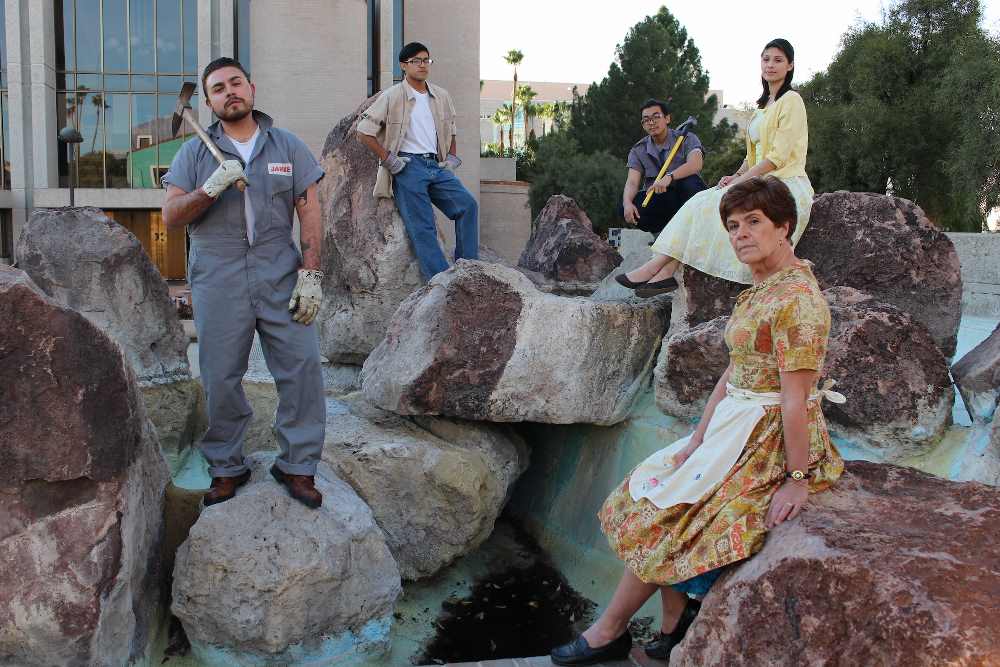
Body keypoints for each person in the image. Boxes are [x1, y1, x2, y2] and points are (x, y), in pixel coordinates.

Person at [550, 177, 845, 666]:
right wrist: (698, 438)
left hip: (768, 437)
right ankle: (671, 631)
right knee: (655, 488)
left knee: (674, 518)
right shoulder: (762, 287)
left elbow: (795, 401)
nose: (740, 234)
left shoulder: (799, 301)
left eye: (753, 222)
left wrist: (797, 479)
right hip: (735, 423)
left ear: (784, 227)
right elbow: (733, 372)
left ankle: (610, 632)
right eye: (733, 225)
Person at [162, 57, 326, 509]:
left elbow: (310, 210)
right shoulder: (194, 153)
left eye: (235, 83)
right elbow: (171, 216)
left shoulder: (287, 146)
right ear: (209, 102)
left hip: (280, 272)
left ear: (251, 89)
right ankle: (226, 467)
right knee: (220, 376)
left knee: (302, 368)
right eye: (217, 88)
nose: (229, 92)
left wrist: (311, 271)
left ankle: (297, 465)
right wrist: (209, 189)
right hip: (218, 276)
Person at [616, 38, 813, 294]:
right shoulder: (763, 107)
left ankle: (658, 268)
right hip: (760, 178)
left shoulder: (791, 100)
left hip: (784, 180)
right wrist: (736, 175)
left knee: (717, 202)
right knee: (700, 202)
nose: (770, 65)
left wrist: (742, 182)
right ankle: (663, 270)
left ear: (790, 66)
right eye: (766, 59)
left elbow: (778, 157)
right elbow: (753, 156)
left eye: (778, 60)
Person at [357, 41, 479, 280]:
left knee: (467, 205)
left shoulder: (441, 96)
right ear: (404, 65)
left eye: (426, 60)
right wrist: (389, 160)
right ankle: (440, 281)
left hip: (436, 166)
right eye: (416, 61)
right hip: (408, 167)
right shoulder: (392, 96)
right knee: (423, 226)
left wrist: (451, 159)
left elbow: (451, 129)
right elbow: (363, 131)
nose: (422, 65)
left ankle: (467, 271)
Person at [618, 98, 707, 235]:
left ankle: (695, 230)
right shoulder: (638, 150)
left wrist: (669, 177)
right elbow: (632, 182)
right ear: (643, 125)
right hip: (661, 199)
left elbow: (696, 163)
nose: (651, 122)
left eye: (656, 117)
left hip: (685, 196)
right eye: (646, 120)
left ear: (667, 118)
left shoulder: (687, 138)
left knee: (691, 183)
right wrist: (627, 204)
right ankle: (663, 233)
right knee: (625, 204)